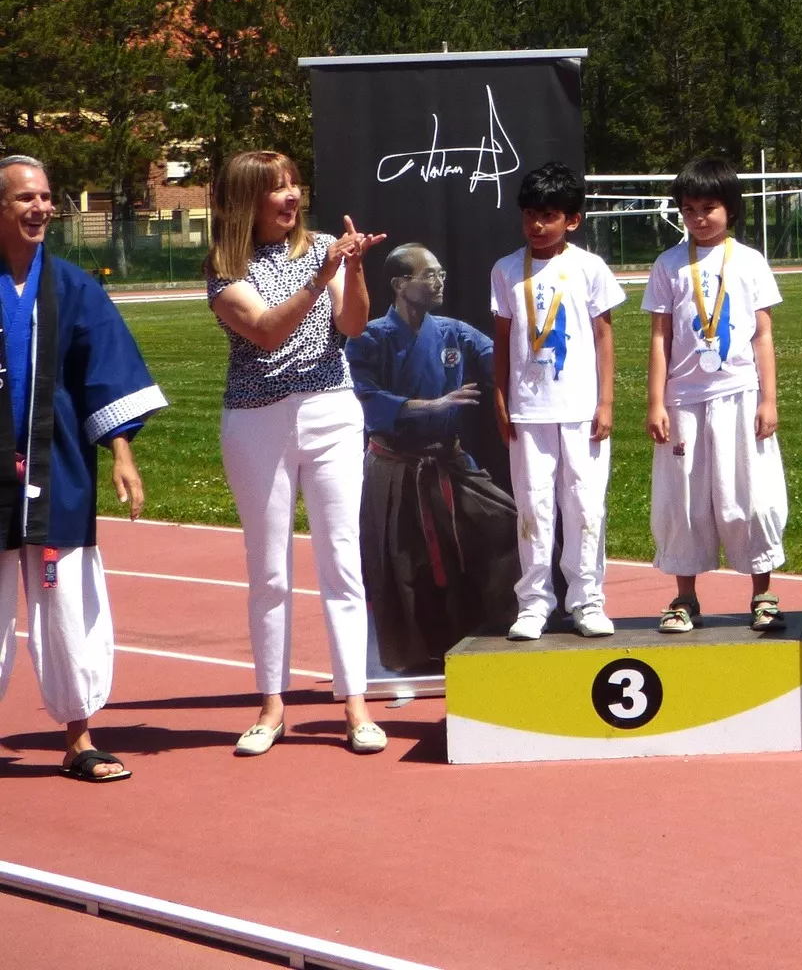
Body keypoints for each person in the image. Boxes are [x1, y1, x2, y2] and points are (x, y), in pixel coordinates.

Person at [206, 150, 388, 756]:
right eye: (276, 188)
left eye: (293, 185)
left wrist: (352, 270)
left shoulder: (324, 249)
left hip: (331, 412)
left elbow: (354, 325)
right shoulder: (224, 267)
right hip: (256, 422)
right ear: (246, 200)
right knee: (270, 571)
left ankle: (355, 705)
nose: (291, 197)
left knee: (342, 560)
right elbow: (266, 330)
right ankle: (271, 707)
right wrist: (319, 277)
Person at [0, 156, 166, 782]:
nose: (41, 208)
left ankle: (79, 739)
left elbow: (106, 369)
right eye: (26, 198)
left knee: (68, 600)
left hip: (56, 466)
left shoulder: (72, 286)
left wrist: (122, 452)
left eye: (46, 197)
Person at [348, 244, 519, 669]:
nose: (439, 281)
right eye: (429, 275)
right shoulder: (369, 338)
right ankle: (413, 653)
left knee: (504, 523)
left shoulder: (454, 332)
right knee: (404, 562)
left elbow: (501, 358)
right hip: (395, 466)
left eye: (442, 273)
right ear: (399, 284)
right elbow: (363, 397)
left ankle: (497, 629)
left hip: (448, 460)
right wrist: (430, 406)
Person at [643, 158, 788, 633]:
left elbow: (763, 335)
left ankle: (763, 594)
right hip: (684, 400)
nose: (699, 217)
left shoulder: (750, 261)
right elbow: (660, 336)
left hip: (739, 394)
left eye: (709, 207)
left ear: (731, 208)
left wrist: (769, 399)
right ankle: (685, 598)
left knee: (750, 497)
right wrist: (656, 401)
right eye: (689, 209)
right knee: (683, 501)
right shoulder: (669, 264)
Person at [490, 162, 624, 640]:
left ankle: (587, 600)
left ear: (572, 220)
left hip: (581, 410)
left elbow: (604, 337)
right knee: (533, 506)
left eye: (548, 216)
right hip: (529, 410)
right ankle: (533, 603)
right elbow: (502, 340)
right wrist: (501, 398)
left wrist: (606, 403)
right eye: (530, 214)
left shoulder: (590, 267)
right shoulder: (506, 269)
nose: (537, 225)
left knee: (586, 506)